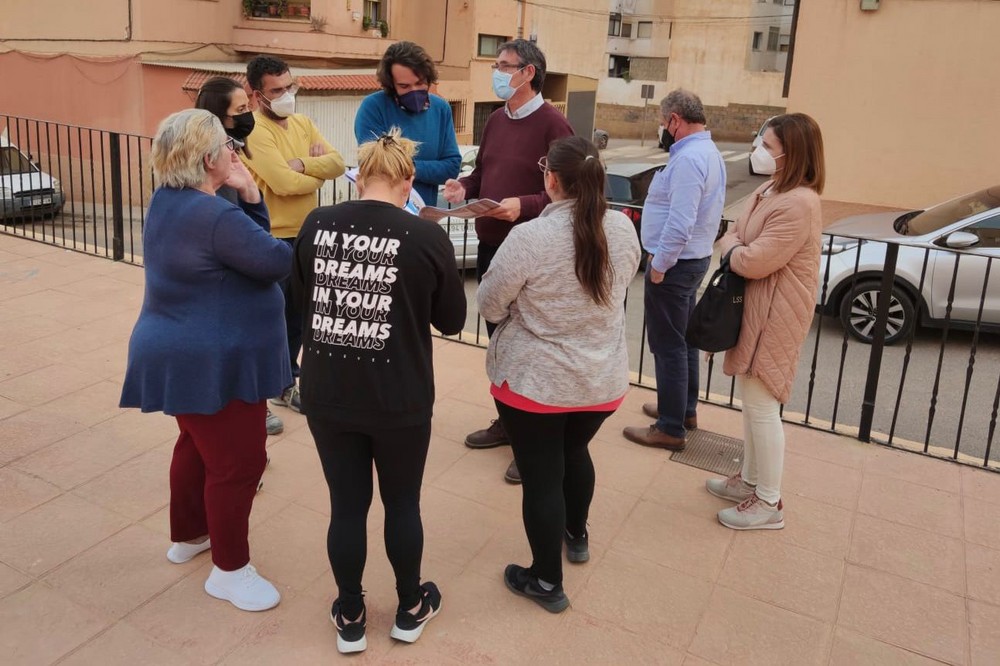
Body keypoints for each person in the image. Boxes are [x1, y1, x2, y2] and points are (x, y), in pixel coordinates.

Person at [290, 128, 466, 653]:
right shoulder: (427, 236)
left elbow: (300, 301)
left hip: (327, 392)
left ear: (359, 176)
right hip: (400, 396)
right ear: (409, 181)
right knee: (401, 502)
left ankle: (349, 612)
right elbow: (453, 320)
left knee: (346, 505)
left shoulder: (317, 224)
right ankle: (410, 607)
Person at [119, 109, 291, 612]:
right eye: (227, 146)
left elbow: (249, 252)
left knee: (195, 448)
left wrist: (244, 196)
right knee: (239, 463)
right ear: (209, 157)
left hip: (180, 353)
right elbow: (275, 261)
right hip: (212, 361)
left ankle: (190, 535)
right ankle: (230, 571)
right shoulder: (213, 215)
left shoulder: (170, 201)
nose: (234, 151)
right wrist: (254, 197)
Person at [478, 136, 641, 612]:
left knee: (542, 477)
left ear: (550, 180)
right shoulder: (623, 228)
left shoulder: (531, 237)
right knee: (575, 451)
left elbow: (489, 302)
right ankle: (577, 534)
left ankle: (546, 580)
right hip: (601, 381)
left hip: (536, 384)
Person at [443, 38, 574, 484]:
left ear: (528, 73)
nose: (497, 72)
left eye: (504, 65)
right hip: (493, 243)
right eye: (496, 64)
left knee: (530, 349)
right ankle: (508, 423)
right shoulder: (496, 119)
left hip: (534, 250)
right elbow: (483, 173)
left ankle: (531, 443)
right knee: (500, 342)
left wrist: (526, 204)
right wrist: (464, 186)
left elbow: (569, 190)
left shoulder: (555, 125)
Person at [707, 113, 825, 530]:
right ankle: (752, 482)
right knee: (753, 404)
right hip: (758, 310)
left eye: (768, 146)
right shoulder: (771, 190)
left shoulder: (798, 203)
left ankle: (769, 503)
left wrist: (734, 249)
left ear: (789, 154)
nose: (760, 151)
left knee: (762, 405)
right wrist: (736, 244)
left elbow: (753, 259)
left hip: (777, 315)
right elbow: (734, 232)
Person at [622, 89, 726, 451]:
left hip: (675, 264)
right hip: (692, 259)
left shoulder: (688, 159)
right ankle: (683, 410)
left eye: (663, 123)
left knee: (668, 346)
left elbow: (681, 222)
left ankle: (670, 427)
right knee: (684, 341)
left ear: (675, 121)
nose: (662, 130)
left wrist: (660, 264)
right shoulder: (708, 153)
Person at [242, 54, 346, 414]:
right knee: (268, 321)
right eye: (277, 90)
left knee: (299, 318)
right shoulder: (254, 130)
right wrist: (319, 173)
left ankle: (284, 382)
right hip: (273, 237)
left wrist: (306, 165)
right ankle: (259, 398)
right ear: (257, 95)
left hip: (307, 235)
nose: (287, 94)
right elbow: (284, 184)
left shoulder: (302, 122)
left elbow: (338, 162)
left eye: (290, 86)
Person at [195, 75, 284, 439]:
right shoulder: (211, 190)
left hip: (234, 307)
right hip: (226, 315)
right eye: (241, 110)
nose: (249, 115)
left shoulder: (225, 172)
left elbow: (254, 235)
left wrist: (250, 192)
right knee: (231, 451)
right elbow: (263, 254)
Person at [354, 41, 461, 207]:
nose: (414, 91)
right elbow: (376, 167)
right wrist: (426, 169)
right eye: (404, 86)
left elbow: (451, 167)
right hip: (383, 213)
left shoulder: (441, 108)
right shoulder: (373, 107)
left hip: (424, 215)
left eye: (420, 83)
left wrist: (408, 167)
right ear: (391, 85)